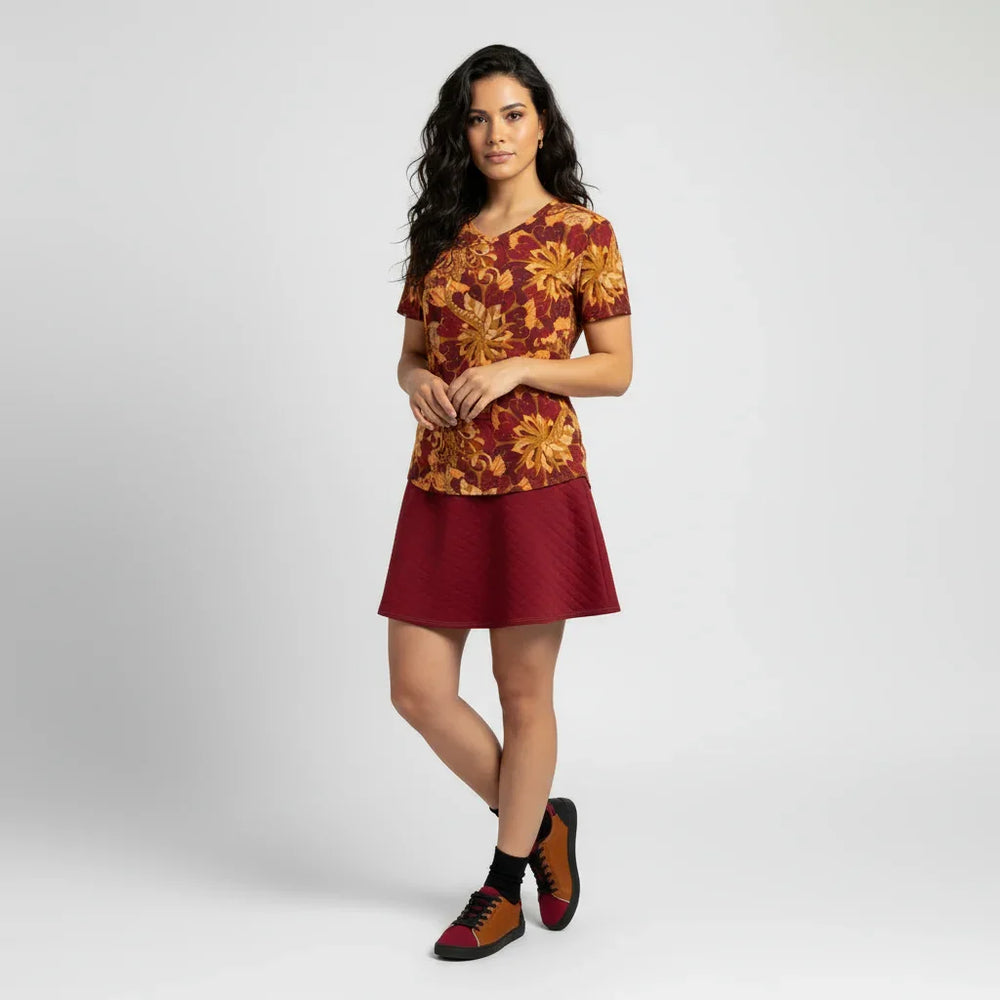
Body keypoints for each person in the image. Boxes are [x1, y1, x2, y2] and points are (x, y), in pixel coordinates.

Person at [377, 43, 632, 961]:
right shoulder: (439, 232)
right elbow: (411, 355)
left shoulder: (582, 233)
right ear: (462, 130)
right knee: (417, 690)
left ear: (542, 124)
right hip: (441, 480)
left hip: (535, 479)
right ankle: (542, 825)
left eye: (513, 114)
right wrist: (417, 382)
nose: (496, 133)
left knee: (523, 695)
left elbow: (616, 369)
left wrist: (520, 365)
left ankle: (502, 886)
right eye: (479, 118)